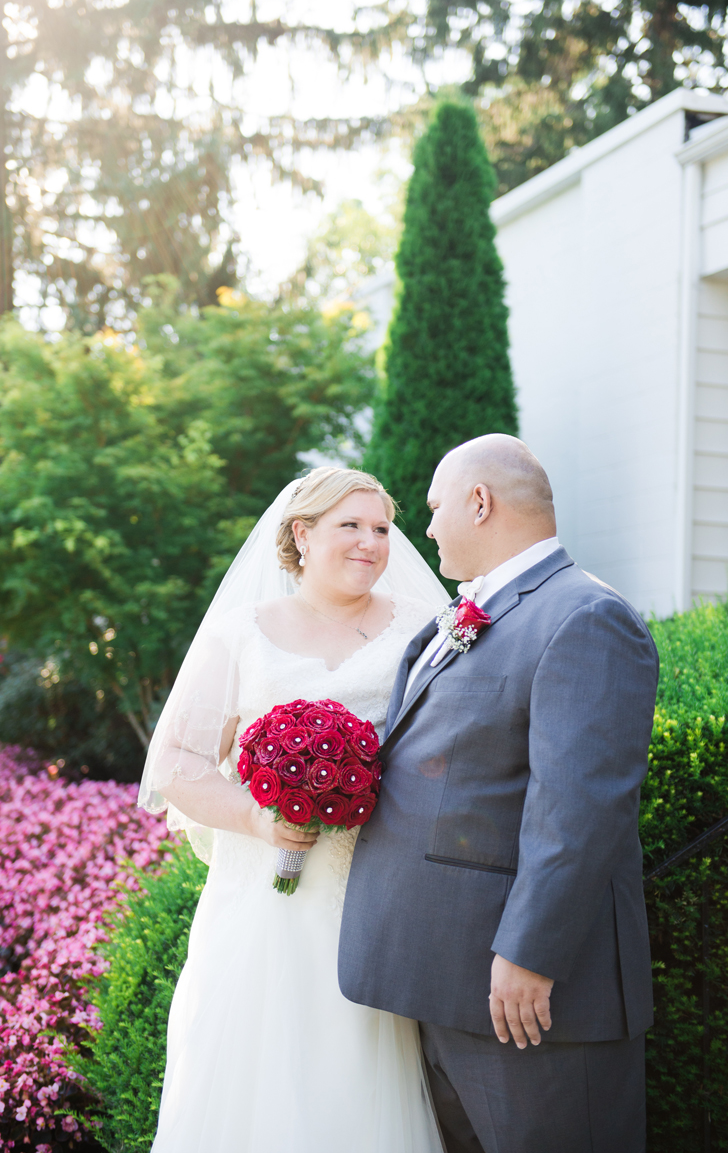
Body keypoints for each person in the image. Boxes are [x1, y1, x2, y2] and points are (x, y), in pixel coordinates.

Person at [338, 434, 659, 1153]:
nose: (424, 527)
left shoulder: (583, 616)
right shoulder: (479, 610)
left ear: (479, 502)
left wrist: (529, 954)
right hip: (449, 980)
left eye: (434, 506)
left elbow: (579, 808)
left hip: (530, 999)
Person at [138, 466, 449, 1153]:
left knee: (356, 1080)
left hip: (374, 899)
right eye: (352, 526)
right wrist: (258, 817)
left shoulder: (421, 630)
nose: (371, 542)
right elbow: (179, 762)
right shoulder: (242, 631)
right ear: (302, 534)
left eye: (381, 528)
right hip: (262, 907)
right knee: (255, 1080)